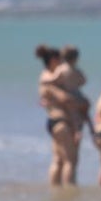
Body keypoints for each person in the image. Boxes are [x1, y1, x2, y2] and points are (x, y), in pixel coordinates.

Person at [36, 44, 81, 187]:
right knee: (70, 160)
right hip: (62, 121)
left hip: (53, 120)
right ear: (54, 60)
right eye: (60, 60)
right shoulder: (49, 79)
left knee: (58, 160)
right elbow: (65, 98)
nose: (62, 63)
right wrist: (81, 102)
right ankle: (69, 192)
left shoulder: (45, 76)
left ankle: (55, 191)